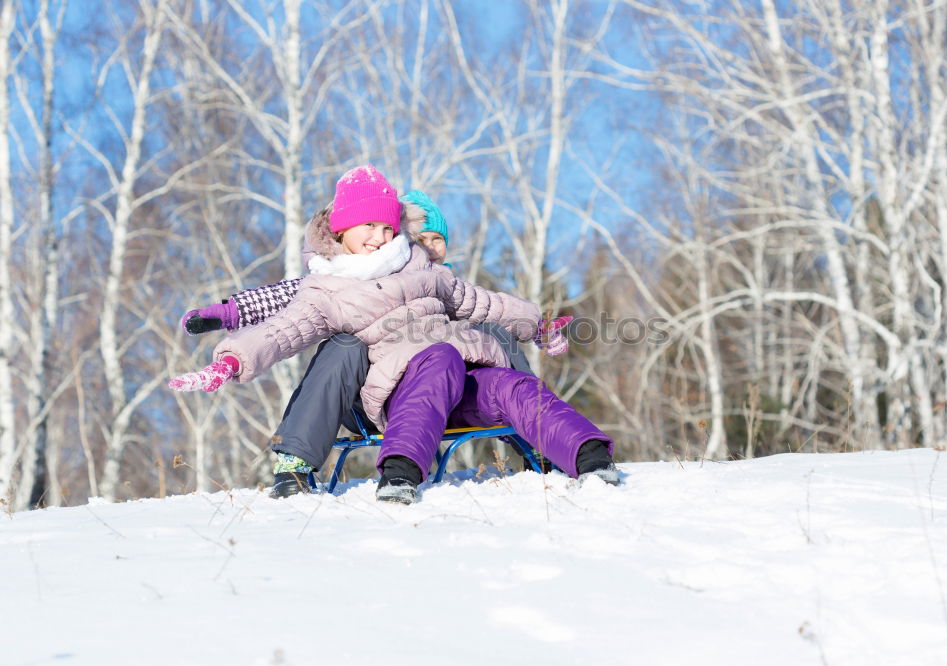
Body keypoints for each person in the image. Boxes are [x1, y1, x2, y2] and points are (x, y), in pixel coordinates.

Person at [169, 165, 619, 504]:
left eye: (387, 228)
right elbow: (283, 330)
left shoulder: (421, 267)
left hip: (458, 385)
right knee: (438, 356)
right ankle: (401, 472)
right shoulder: (327, 288)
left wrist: (535, 325)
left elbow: (482, 302)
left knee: (509, 381)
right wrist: (230, 361)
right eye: (369, 227)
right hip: (395, 390)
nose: (380, 237)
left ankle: (589, 457)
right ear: (341, 228)